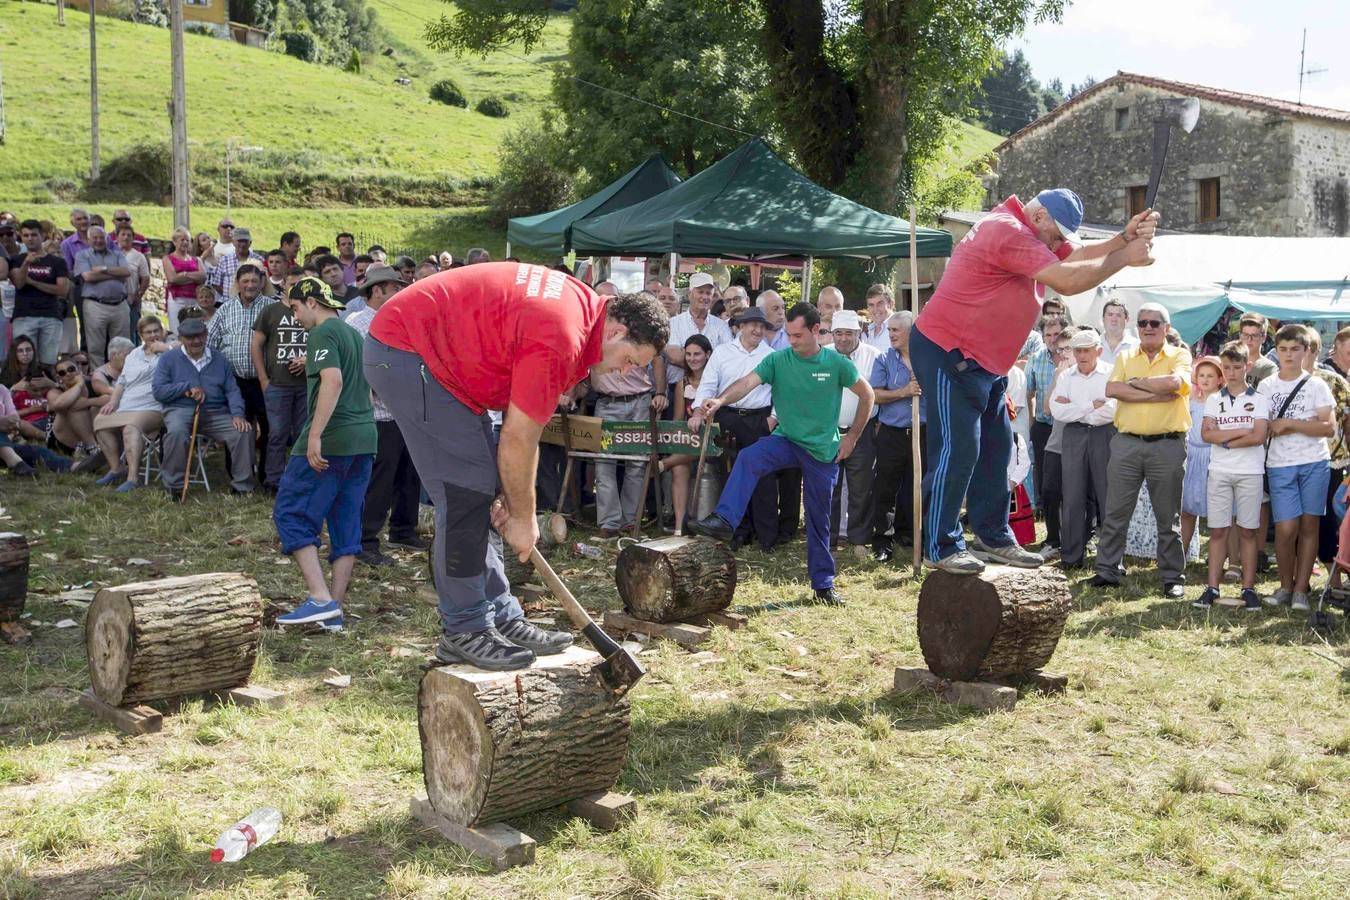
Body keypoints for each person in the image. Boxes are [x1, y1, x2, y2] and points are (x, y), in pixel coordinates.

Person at [365, 262, 667, 669]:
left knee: (479, 488)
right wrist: (524, 518)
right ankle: (465, 629)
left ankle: (501, 617)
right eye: (631, 360)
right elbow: (519, 438)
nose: (626, 371)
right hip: (406, 350)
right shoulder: (562, 337)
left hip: (439, 360)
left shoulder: (584, 312)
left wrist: (508, 496)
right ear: (615, 331)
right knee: (466, 493)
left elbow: (516, 432)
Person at [912, 188, 1158, 575]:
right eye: (1057, 235)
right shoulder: (1007, 231)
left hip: (984, 362)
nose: (1059, 244)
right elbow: (1068, 280)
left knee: (996, 450)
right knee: (958, 450)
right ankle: (939, 544)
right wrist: (1124, 259)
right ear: (1039, 216)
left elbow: (1072, 257)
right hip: (949, 352)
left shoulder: (1030, 230)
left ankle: (992, 535)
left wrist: (1122, 239)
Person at [688, 303, 874, 605]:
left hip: (821, 451)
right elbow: (747, 382)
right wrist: (720, 400)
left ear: (816, 330)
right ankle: (724, 520)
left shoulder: (836, 363)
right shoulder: (778, 360)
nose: (792, 341)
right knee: (749, 457)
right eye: (788, 334)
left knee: (818, 520)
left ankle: (823, 585)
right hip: (786, 439)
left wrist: (852, 437)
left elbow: (868, 395)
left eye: (798, 335)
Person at [273, 278, 378, 631]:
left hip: (331, 439)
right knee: (345, 520)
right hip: (364, 439)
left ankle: (319, 599)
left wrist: (314, 435)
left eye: (295, 308)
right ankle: (335, 610)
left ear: (312, 302)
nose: (295, 316)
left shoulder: (322, 334)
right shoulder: (353, 334)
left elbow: (332, 382)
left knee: (290, 512)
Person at [1087, 302, 1192, 595]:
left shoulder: (1180, 354)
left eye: (1155, 323)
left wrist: (1137, 385)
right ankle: (1107, 570)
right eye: (1143, 322)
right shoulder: (1124, 356)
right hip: (1126, 444)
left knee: (1167, 516)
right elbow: (1112, 390)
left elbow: (1175, 382)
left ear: (1166, 329)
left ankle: (1173, 577)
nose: (1148, 328)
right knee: (1115, 511)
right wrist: (1154, 394)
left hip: (1167, 445)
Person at [344, 266, 424, 566]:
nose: (401, 294)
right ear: (378, 290)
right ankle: (365, 540)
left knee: (409, 473)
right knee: (380, 480)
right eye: (395, 288)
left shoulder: (400, 321)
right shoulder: (357, 324)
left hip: (405, 412)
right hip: (377, 414)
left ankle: (404, 529)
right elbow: (355, 367)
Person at [1259, 324, 1335, 612]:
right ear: (1276, 352)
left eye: (1295, 349)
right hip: (1280, 464)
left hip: (1314, 461)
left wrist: (1290, 424)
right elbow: (1262, 426)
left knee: (1308, 524)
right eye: (1283, 349)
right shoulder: (1267, 386)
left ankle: (1301, 590)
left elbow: (1328, 427)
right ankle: (1285, 586)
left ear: (1306, 351)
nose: (1288, 355)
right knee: (1286, 528)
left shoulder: (1317, 385)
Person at [691, 307, 779, 550]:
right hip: (728, 419)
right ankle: (737, 534)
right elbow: (708, 384)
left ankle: (766, 536)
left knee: (764, 478)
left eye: (761, 326)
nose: (757, 330)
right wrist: (700, 410)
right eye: (752, 324)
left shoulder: (771, 355)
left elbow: (781, 392)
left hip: (759, 420)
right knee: (730, 476)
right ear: (741, 326)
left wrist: (773, 418)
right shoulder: (722, 353)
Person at [1195, 342, 1269, 610]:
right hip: (1220, 471)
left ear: (1247, 367)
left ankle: (1248, 588)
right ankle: (1211, 588)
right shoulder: (1214, 398)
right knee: (1217, 531)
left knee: (1248, 531)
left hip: (1249, 472)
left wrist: (1224, 439)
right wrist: (1241, 433)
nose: (1231, 373)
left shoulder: (1259, 399)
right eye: (1226, 368)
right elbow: (1206, 435)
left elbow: (1259, 436)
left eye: (1237, 367)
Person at [152, 317, 256, 496]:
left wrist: (238, 414)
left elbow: (232, 390)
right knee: (176, 432)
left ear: (206, 335)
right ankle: (174, 486)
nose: (196, 341)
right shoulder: (168, 359)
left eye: (200, 336)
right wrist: (185, 388)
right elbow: (158, 391)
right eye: (190, 337)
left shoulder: (219, 358)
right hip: (179, 409)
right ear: (181, 338)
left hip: (215, 412)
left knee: (243, 431)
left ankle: (242, 486)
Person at [589, 303, 668, 537]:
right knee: (604, 462)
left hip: (639, 400)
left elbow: (657, 361)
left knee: (637, 462)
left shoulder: (640, 336)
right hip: (607, 402)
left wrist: (660, 392)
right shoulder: (599, 334)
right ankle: (608, 523)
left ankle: (630, 521)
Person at [1049, 329, 1117, 570]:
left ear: (1098, 350)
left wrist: (1076, 407)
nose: (1081, 355)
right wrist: (1091, 405)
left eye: (1086, 350)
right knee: (1072, 496)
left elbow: (1112, 410)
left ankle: (1111, 560)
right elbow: (1057, 411)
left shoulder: (1111, 372)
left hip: (1104, 434)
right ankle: (1071, 556)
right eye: (1077, 350)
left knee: (1108, 495)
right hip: (1074, 434)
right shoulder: (1066, 375)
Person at [208, 263, 276, 484]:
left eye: (254, 281)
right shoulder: (225, 310)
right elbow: (211, 345)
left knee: (269, 430)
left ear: (262, 283)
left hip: (265, 379)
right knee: (238, 430)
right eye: (245, 281)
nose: (250, 285)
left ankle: (268, 478)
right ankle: (239, 477)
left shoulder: (271, 308)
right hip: (235, 382)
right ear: (237, 283)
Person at [870, 310, 925, 561]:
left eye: (895, 330)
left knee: (918, 486)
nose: (890, 334)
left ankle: (912, 534)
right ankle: (882, 541)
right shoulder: (884, 359)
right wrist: (904, 391)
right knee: (885, 488)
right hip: (892, 432)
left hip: (922, 431)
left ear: (910, 332)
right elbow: (876, 395)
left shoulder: (927, 359)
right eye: (889, 330)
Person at [92, 318, 169, 491]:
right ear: (141, 335)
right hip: (127, 405)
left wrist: (165, 349)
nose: (153, 335)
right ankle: (116, 468)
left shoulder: (171, 351)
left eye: (156, 330)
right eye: (148, 332)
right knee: (100, 422)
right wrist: (113, 402)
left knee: (130, 427)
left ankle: (133, 478)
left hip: (152, 407)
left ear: (162, 331)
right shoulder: (134, 354)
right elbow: (122, 382)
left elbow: (185, 351)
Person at [826, 310, 879, 556]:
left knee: (861, 487)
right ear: (832, 334)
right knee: (829, 487)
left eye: (849, 333)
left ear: (858, 333)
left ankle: (859, 541)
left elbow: (877, 393)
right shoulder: (822, 355)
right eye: (839, 333)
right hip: (828, 432)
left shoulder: (873, 356)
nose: (844, 338)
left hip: (863, 430)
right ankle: (829, 539)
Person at [251, 273, 310, 492]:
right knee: (277, 434)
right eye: (292, 284)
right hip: (277, 384)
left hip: (306, 384)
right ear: (283, 285)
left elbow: (324, 341)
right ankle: (274, 481)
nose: (296, 287)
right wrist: (263, 378)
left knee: (303, 434)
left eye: (301, 284)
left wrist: (309, 361)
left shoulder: (311, 310)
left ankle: (300, 478)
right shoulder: (271, 311)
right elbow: (256, 345)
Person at [662, 334, 712, 535]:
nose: (692, 358)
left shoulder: (715, 378)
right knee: (680, 468)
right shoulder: (683, 382)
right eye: (689, 354)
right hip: (688, 438)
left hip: (710, 438)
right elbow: (677, 418)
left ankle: (664, 464)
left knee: (677, 460)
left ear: (708, 355)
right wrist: (677, 439)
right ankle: (679, 526)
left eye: (697, 354)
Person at [1025, 314, 1069, 527]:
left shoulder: (1072, 358)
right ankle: (1045, 509)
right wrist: (1033, 423)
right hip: (1044, 425)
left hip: (1069, 426)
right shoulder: (1036, 359)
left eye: (1056, 334)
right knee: (1044, 472)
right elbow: (1030, 392)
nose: (1052, 339)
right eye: (1048, 335)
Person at [9, 219, 70, 366]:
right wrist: (27, 263)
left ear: (42, 236)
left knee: (48, 361)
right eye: (26, 235)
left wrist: (34, 282)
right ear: (21, 237)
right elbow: (19, 283)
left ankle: (47, 387)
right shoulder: (16, 260)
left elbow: (62, 290)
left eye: (34, 235)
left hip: (51, 316)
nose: (30, 238)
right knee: (24, 362)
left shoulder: (57, 262)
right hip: (24, 316)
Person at [1181, 357, 1223, 555]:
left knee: (1220, 512)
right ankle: (1181, 553)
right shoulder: (1191, 400)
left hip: (1214, 455)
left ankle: (1222, 558)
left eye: (1210, 376)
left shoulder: (1224, 402)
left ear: (1219, 379)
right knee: (1187, 508)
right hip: (1192, 455)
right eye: (1201, 375)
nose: (1205, 380)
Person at [72, 226, 131, 366]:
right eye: (95, 238)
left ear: (107, 239)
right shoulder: (82, 255)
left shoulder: (117, 254)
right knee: (96, 347)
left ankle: (122, 376)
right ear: (88, 240)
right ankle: (99, 379)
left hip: (120, 305)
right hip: (95, 305)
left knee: (122, 346)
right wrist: (114, 274)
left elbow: (126, 271)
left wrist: (104, 269)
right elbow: (88, 276)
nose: (99, 240)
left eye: (101, 237)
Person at [1, 381, 71, 476]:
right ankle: (15, 464)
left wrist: (9, 423)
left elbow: (14, 416)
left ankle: (75, 466)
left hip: (6, 445)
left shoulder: (2, 390)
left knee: (36, 451)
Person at [665, 272, 731, 368]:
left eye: (708, 293)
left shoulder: (721, 326)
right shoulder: (674, 323)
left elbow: (728, 356)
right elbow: (675, 357)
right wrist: (711, 361)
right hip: (679, 382)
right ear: (689, 294)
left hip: (713, 382)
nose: (704, 297)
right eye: (700, 292)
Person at [45, 354, 103, 461]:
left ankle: (88, 446)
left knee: (97, 407)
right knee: (72, 406)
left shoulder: (93, 384)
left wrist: (88, 402)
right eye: (63, 373)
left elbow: (111, 398)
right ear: (59, 378)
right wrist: (79, 384)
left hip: (85, 431)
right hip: (61, 439)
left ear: (78, 369)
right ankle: (93, 447)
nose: (68, 374)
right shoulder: (54, 392)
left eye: (71, 369)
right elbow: (58, 405)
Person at [115, 226, 150, 344]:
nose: (126, 237)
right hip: (113, 301)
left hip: (131, 300)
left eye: (129, 235)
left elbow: (145, 277)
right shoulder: (111, 254)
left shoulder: (139, 256)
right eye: (123, 234)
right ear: (117, 237)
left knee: (133, 331)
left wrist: (139, 294)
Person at [208, 227, 265, 299]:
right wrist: (230, 295)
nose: (242, 244)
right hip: (228, 302)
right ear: (233, 242)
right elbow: (216, 284)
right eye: (239, 241)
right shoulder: (224, 260)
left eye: (245, 241)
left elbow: (263, 283)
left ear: (250, 243)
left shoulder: (259, 260)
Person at [1237, 313, 1277, 387]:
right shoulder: (1229, 363)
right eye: (1245, 335)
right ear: (1240, 336)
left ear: (1264, 338)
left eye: (1255, 335)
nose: (1249, 339)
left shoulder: (1268, 367)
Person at [1098, 298, 1138, 367]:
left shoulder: (1138, 346)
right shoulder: (1093, 346)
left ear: (1127, 319)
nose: (1114, 319)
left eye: (1118, 315)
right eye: (1110, 315)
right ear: (1103, 319)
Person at [861, 284, 895, 353]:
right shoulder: (866, 331)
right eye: (871, 305)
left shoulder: (901, 329)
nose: (875, 309)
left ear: (891, 304)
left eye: (880, 303)